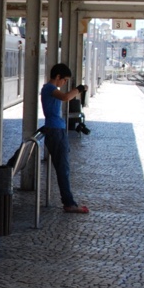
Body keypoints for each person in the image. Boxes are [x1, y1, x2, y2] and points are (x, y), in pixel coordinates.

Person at [41, 63, 89, 214]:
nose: (65, 83)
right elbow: (66, 97)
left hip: (57, 130)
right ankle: (69, 203)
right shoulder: (49, 88)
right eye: (65, 80)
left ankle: (69, 201)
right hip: (55, 131)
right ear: (58, 77)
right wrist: (80, 89)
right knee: (63, 169)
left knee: (64, 168)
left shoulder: (52, 89)